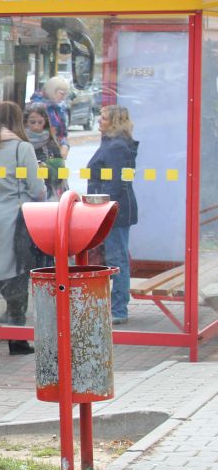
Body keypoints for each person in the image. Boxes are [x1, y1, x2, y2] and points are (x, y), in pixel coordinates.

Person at [0, 101, 47, 353]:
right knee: (17, 277)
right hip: (13, 221)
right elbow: (36, 189)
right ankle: (17, 337)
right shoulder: (23, 148)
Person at [87, 104, 139, 325]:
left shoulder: (116, 146)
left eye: (104, 117)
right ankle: (117, 306)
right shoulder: (112, 142)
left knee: (117, 258)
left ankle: (119, 309)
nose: (99, 120)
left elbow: (115, 184)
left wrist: (102, 209)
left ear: (115, 122)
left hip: (113, 210)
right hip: (114, 209)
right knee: (117, 256)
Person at [24, 102, 66, 199]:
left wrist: (47, 169)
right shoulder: (21, 142)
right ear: (26, 122)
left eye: (40, 122)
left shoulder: (51, 143)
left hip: (49, 193)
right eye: (32, 122)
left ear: (45, 122)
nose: (36, 126)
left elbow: (61, 172)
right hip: (26, 194)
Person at [36, 76, 71, 159]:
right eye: (62, 93)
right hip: (40, 151)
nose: (63, 97)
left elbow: (62, 133)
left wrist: (65, 145)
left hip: (54, 151)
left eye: (66, 94)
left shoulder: (59, 109)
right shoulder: (37, 107)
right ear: (52, 90)